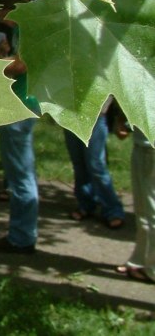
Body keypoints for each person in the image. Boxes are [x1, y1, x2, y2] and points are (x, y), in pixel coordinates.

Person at [0, 0, 40, 255]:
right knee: (18, 173)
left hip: (19, 107)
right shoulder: (19, 29)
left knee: (20, 175)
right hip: (18, 104)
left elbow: (21, 67)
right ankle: (21, 232)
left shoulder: (29, 29)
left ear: (10, 7)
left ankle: (22, 238)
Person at [63, 96, 125, 229]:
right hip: (68, 113)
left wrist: (119, 117)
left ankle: (113, 209)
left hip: (95, 115)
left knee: (96, 165)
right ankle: (86, 203)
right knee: (78, 163)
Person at [116, 114, 155, 283]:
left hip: (150, 148)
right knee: (142, 210)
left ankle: (152, 269)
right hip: (142, 145)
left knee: (152, 213)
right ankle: (139, 260)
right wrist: (126, 121)